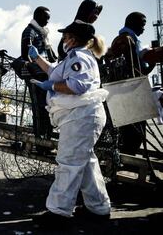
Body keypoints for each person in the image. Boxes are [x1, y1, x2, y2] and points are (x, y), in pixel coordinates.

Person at [30, 21, 111, 227]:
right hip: (81, 116)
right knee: (86, 164)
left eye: (65, 36)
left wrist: (51, 86)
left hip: (81, 117)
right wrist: (37, 58)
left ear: (73, 38)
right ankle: (99, 207)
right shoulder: (75, 57)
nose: (63, 39)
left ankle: (58, 212)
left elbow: (77, 85)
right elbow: (54, 71)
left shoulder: (79, 57)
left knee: (68, 163)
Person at [106, 12, 155, 155]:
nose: (144, 28)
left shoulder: (125, 39)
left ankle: (128, 160)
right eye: (143, 24)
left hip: (125, 92)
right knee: (133, 133)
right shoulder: (126, 40)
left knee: (131, 134)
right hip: (129, 93)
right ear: (133, 23)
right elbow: (131, 71)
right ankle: (128, 162)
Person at [21, 6, 56, 140]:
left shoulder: (42, 34)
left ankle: (47, 136)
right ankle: (39, 139)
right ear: (37, 16)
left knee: (47, 106)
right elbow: (25, 53)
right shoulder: (29, 31)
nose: (48, 21)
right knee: (39, 106)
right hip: (36, 75)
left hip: (46, 74)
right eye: (46, 18)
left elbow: (52, 56)